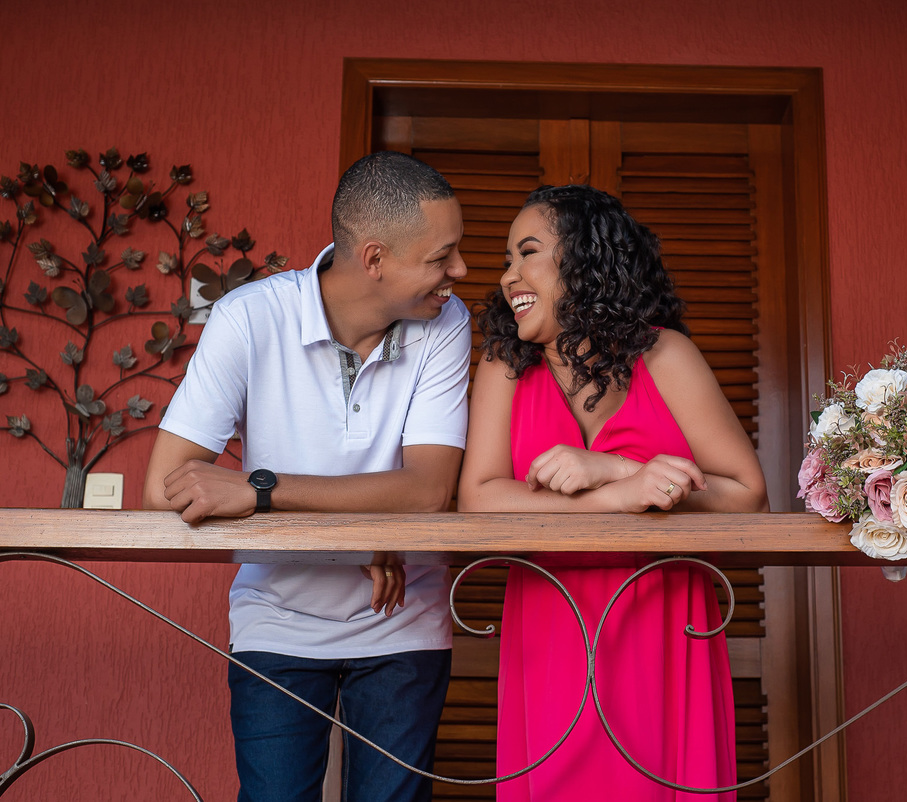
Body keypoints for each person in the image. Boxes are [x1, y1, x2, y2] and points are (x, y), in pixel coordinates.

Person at [142, 151, 471, 802]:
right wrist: (370, 520)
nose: (458, 273)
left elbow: (428, 490)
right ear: (374, 258)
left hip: (404, 617)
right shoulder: (248, 317)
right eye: (442, 256)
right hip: (277, 618)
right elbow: (166, 483)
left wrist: (259, 487)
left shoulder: (447, 321)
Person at [457, 185, 768, 800]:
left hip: (664, 615)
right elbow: (478, 497)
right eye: (505, 259)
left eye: (527, 253)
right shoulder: (504, 366)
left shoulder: (667, 354)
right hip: (549, 618)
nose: (507, 275)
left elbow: (746, 494)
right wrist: (618, 490)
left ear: (586, 261)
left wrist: (609, 468)